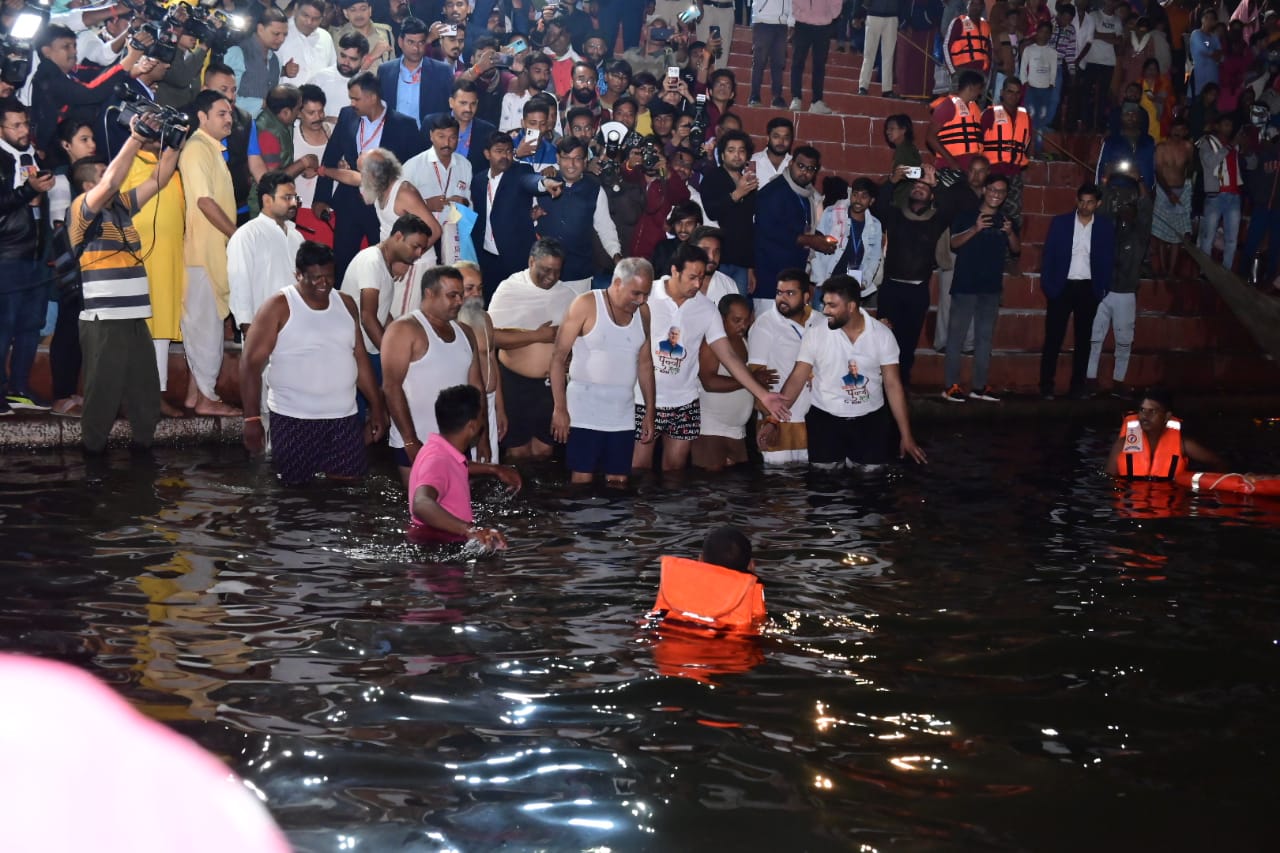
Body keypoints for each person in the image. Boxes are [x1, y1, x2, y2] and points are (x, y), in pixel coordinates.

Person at [71, 115, 181, 452]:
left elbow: (158, 179)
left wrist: (175, 142)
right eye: (104, 175)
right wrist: (135, 138)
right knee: (102, 396)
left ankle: (143, 461)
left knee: (145, 394)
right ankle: (92, 466)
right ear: (90, 186)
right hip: (104, 321)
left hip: (135, 318)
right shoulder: (82, 208)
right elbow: (110, 182)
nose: (114, 177)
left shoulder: (121, 207)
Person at [240, 241, 388, 485]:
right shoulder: (278, 306)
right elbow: (249, 364)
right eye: (316, 278)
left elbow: (360, 358)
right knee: (296, 495)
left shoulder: (346, 303)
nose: (324, 284)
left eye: (329, 277)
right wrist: (251, 419)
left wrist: (377, 408)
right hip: (293, 419)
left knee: (349, 491)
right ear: (298, 274)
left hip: (343, 418)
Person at [635, 244, 790, 473]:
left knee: (676, 474)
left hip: (685, 402)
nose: (698, 285)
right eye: (692, 277)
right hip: (644, 399)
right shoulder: (647, 296)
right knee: (638, 471)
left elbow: (727, 354)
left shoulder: (706, 308)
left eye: (702, 277)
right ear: (674, 271)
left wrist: (763, 395)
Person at [776, 274, 927, 468]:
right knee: (824, 487)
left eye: (832, 305)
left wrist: (906, 436)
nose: (825, 310)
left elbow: (893, 385)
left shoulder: (882, 335)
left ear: (851, 306)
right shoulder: (815, 333)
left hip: (870, 420)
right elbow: (798, 377)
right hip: (825, 419)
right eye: (824, 304)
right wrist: (773, 419)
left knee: (870, 486)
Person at [549, 257, 657, 485]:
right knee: (582, 479)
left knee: (619, 481)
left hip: (623, 414)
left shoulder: (644, 312)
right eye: (636, 293)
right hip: (584, 411)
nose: (641, 300)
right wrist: (560, 408)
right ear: (617, 283)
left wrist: (649, 412)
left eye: (646, 294)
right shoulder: (585, 304)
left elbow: (646, 364)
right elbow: (558, 358)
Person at [313, 71, 426, 283]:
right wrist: (321, 197)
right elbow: (331, 156)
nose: (352, 103)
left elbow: (413, 171)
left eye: (356, 98)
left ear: (372, 97)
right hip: (348, 202)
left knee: (383, 265)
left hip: (383, 207)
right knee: (342, 262)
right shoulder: (347, 116)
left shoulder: (405, 125)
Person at [382, 264, 488, 486]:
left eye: (461, 294)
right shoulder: (404, 329)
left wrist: (483, 436)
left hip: (458, 443)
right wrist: (410, 441)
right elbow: (392, 387)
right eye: (452, 295)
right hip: (417, 440)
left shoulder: (465, 332)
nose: (460, 301)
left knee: (457, 509)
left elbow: (476, 388)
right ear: (429, 293)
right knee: (421, 512)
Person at [178, 90, 242, 418]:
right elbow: (204, 202)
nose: (228, 118)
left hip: (212, 254)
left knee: (208, 326)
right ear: (202, 117)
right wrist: (237, 235)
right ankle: (207, 399)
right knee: (205, 330)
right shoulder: (196, 150)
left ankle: (195, 396)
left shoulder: (213, 150)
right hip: (201, 254)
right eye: (221, 113)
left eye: (229, 113)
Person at [488, 238, 578, 459]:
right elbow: (491, 338)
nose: (551, 277)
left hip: (549, 386)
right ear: (531, 262)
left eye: (557, 271)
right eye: (545, 270)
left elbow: (579, 340)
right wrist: (538, 335)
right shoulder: (509, 289)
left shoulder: (567, 295)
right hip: (514, 383)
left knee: (544, 450)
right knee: (517, 451)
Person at [408, 384, 521, 549]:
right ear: (472, 426)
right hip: (440, 549)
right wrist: (470, 530)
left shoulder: (437, 449)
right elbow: (421, 503)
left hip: (441, 541)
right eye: (482, 415)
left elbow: (455, 466)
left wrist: (494, 469)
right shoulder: (438, 460)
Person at [941, 174, 1020, 403]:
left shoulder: (1007, 220)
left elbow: (1016, 249)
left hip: (991, 288)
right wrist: (975, 229)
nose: (996, 194)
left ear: (1005, 196)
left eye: (1001, 191)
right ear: (985, 190)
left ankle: (979, 386)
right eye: (993, 189)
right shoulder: (967, 215)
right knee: (956, 337)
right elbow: (953, 243)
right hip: (965, 285)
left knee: (985, 340)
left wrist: (1010, 233)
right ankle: (950, 386)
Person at [0, 98, 56, 415]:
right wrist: (28, 191)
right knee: (3, 327)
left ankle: (19, 387)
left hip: (36, 252)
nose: (24, 131)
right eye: (16, 125)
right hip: (6, 252)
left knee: (30, 326)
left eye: (25, 124)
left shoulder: (30, 154)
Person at [872, 169, 950, 389]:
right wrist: (892, 180)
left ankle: (902, 384)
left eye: (924, 188)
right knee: (882, 339)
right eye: (916, 186)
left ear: (931, 196)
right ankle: (878, 385)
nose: (919, 189)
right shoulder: (895, 215)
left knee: (908, 342)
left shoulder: (935, 221)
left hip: (917, 291)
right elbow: (879, 205)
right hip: (891, 288)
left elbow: (950, 209)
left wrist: (936, 184)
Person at [1039, 183, 1116, 399]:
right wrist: (1049, 286)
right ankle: (1046, 386)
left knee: (1083, 340)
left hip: (1088, 288)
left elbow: (1108, 259)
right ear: (1077, 200)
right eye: (1082, 201)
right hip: (1061, 287)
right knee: (1053, 337)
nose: (1085, 205)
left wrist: (1101, 289)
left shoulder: (1104, 226)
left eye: (1090, 202)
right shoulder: (1061, 222)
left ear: (1098, 204)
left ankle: (1077, 387)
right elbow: (1049, 256)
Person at [344, 213, 434, 380]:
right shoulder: (372, 261)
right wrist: (391, 357)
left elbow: (383, 315)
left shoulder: (384, 264)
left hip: (369, 350)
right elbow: (367, 317)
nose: (419, 253)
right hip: (358, 353)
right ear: (398, 236)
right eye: (415, 246)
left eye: (422, 248)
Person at [748, 269, 824, 466]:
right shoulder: (765, 325)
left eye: (790, 293)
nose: (782, 298)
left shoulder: (821, 322)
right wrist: (770, 421)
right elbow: (755, 378)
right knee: (777, 489)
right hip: (777, 423)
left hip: (812, 422)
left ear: (807, 296)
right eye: (779, 292)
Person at [472, 132, 559, 302]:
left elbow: (531, 181)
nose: (505, 156)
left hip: (515, 257)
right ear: (487, 154)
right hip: (487, 258)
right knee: (490, 307)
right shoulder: (478, 180)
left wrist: (544, 184)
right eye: (499, 151)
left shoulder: (520, 172)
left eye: (509, 151)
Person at [536, 136, 621, 295]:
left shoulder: (595, 190)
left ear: (585, 160)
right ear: (557, 159)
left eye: (577, 159)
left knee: (574, 318)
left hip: (578, 274)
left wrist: (616, 255)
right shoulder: (543, 185)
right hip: (542, 270)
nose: (572, 165)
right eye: (566, 158)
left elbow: (605, 227)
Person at [1087, 189, 1150, 397]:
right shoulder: (1109, 229)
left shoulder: (1140, 234)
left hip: (1125, 293)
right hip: (1103, 291)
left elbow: (1145, 211)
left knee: (1124, 340)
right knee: (1095, 337)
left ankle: (1118, 381)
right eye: (1122, 208)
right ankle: (1090, 378)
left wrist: (1140, 190)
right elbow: (1102, 212)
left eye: (1129, 208)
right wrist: (1107, 186)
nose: (1125, 212)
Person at [228, 171, 306, 338]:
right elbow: (239, 287)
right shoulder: (247, 235)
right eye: (287, 198)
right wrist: (250, 334)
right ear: (267, 200)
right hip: (263, 332)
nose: (293, 203)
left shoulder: (297, 237)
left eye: (295, 198)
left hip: (296, 330)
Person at [754, 146, 829, 318]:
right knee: (767, 332)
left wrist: (817, 238)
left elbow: (799, 227)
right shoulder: (774, 191)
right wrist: (809, 241)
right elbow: (769, 230)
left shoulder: (806, 194)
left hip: (793, 275)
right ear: (791, 163)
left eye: (811, 169)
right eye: (801, 166)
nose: (805, 173)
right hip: (770, 276)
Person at [650, 525, 766, 634]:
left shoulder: (673, 589)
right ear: (751, 566)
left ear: (700, 560)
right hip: (727, 650)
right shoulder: (750, 608)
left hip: (668, 647)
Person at [692, 294, 756, 472]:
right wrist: (751, 381)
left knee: (736, 492)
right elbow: (709, 382)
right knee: (710, 490)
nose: (742, 326)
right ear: (721, 318)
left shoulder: (744, 341)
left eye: (746, 320)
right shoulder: (711, 344)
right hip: (711, 428)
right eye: (736, 320)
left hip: (737, 430)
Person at [1105, 388, 1225, 479]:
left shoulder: (1183, 445)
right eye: (1142, 410)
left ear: (1166, 416)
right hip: (1131, 507)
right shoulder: (1122, 444)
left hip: (1169, 506)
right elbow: (1108, 479)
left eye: (1153, 411)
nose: (1145, 416)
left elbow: (1218, 462)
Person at [699, 130, 758, 297]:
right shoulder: (713, 178)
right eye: (731, 150)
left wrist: (750, 267)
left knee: (738, 309)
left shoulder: (749, 181)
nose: (737, 155)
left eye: (741, 151)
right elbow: (712, 212)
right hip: (718, 258)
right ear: (723, 155)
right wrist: (736, 195)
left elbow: (749, 225)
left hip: (742, 260)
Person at [457, 261, 505, 462]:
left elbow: (492, 359)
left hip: (490, 403)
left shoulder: (485, 318)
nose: (476, 294)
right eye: (469, 289)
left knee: (491, 464)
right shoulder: (451, 325)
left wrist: (500, 408)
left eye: (479, 288)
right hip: (466, 410)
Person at [811, 177, 884, 302]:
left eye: (864, 196)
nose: (858, 200)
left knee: (847, 321)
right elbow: (816, 249)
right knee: (820, 320)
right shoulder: (831, 214)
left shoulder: (875, 225)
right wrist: (820, 281)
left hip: (851, 288)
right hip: (826, 283)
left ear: (871, 201)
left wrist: (865, 281)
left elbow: (874, 257)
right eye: (855, 195)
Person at [379, 17, 454, 127]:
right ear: (400, 42)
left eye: (421, 43)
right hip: (393, 137)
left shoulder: (442, 71)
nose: (416, 48)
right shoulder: (385, 71)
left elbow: (449, 110)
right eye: (411, 42)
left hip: (427, 138)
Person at [1197, 112, 1244, 273]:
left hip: (1234, 195)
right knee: (1208, 236)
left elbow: (1250, 165)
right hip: (1215, 195)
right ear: (1217, 126)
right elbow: (1210, 162)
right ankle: (1204, 271)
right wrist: (1230, 146)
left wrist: (1248, 150)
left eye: (1230, 125)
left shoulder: (1235, 144)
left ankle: (1226, 271)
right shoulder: (1206, 142)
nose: (1229, 128)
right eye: (1225, 124)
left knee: (1232, 239)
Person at [224, 8, 289, 118]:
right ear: (260, 29)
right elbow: (225, 98)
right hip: (235, 125)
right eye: (276, 33)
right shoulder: (237, 53)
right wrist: (261, 104)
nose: (282, 39)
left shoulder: (276, 60)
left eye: (285, 34)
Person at [1152, 117, 1194, 276]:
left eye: (1181, 129)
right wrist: (1169, 193)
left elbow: (1190, 168)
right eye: (1175, 129)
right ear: (1170, 130)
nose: (1177, 132)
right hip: (1164, 191)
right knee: (1162, 233)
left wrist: (1186, 190)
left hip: (1181, 190)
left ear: (1185, 132)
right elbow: (1158, 171)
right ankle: (1162, 269)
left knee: (1178, 235)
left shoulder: (1188, 147)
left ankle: (1171, 271)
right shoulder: (1161, 148)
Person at [928, 69, 985, 173]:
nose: (980, 93)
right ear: (971, 87)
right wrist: (952, 161)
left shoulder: (974, 108)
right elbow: (930, 137)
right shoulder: (948, 105)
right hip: (950, 166)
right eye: (979, 88)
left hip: (970, 167)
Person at [790, 0, 841, 113]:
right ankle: (796, 98)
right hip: (802, 24)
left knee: (819, 65)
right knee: (797, 62)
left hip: (823, 26)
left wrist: (829, 14)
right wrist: (798, 13)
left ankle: (817, 101)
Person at [307, 32, 369, 122]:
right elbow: (301, 111)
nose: (346, 63)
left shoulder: (369, 85)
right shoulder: (320, 78)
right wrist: (324, 120)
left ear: (364, 59)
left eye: (353, 59)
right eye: (343, 56)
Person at [279, 0, 336, 87]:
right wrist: (283, 71)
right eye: (305, 15)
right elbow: (262, 70)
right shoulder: (279, 33)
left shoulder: (325, 37)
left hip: (318, 97)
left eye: (315, 19)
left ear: (322, 18)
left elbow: (333, 71)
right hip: (284, 98)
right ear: (296, 9)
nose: (309, 22)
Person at [855, 0, 901, 99]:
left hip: (891, 16)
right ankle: (863, 86)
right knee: (869, 54)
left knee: (888, 55)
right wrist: (857, 14)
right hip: (874, 14)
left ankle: (887, 89)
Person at [944, 0, 993, 78]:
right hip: (961, 71)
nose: (975, 7)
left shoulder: (986, 26)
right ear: (968, 5)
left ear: (983, 7)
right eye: (973, 3)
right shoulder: (958, 22)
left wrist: (987, 73)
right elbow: (946, 46)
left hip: (981, 73)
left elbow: (990, 51)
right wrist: (952, 71)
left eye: (978, 4)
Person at [749, 116, 794, 186]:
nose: (781, 141)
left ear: (791, 141)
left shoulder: (794, 164)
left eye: (786, 138)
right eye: (776, 137)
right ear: (768, 139)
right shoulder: (752, 160)